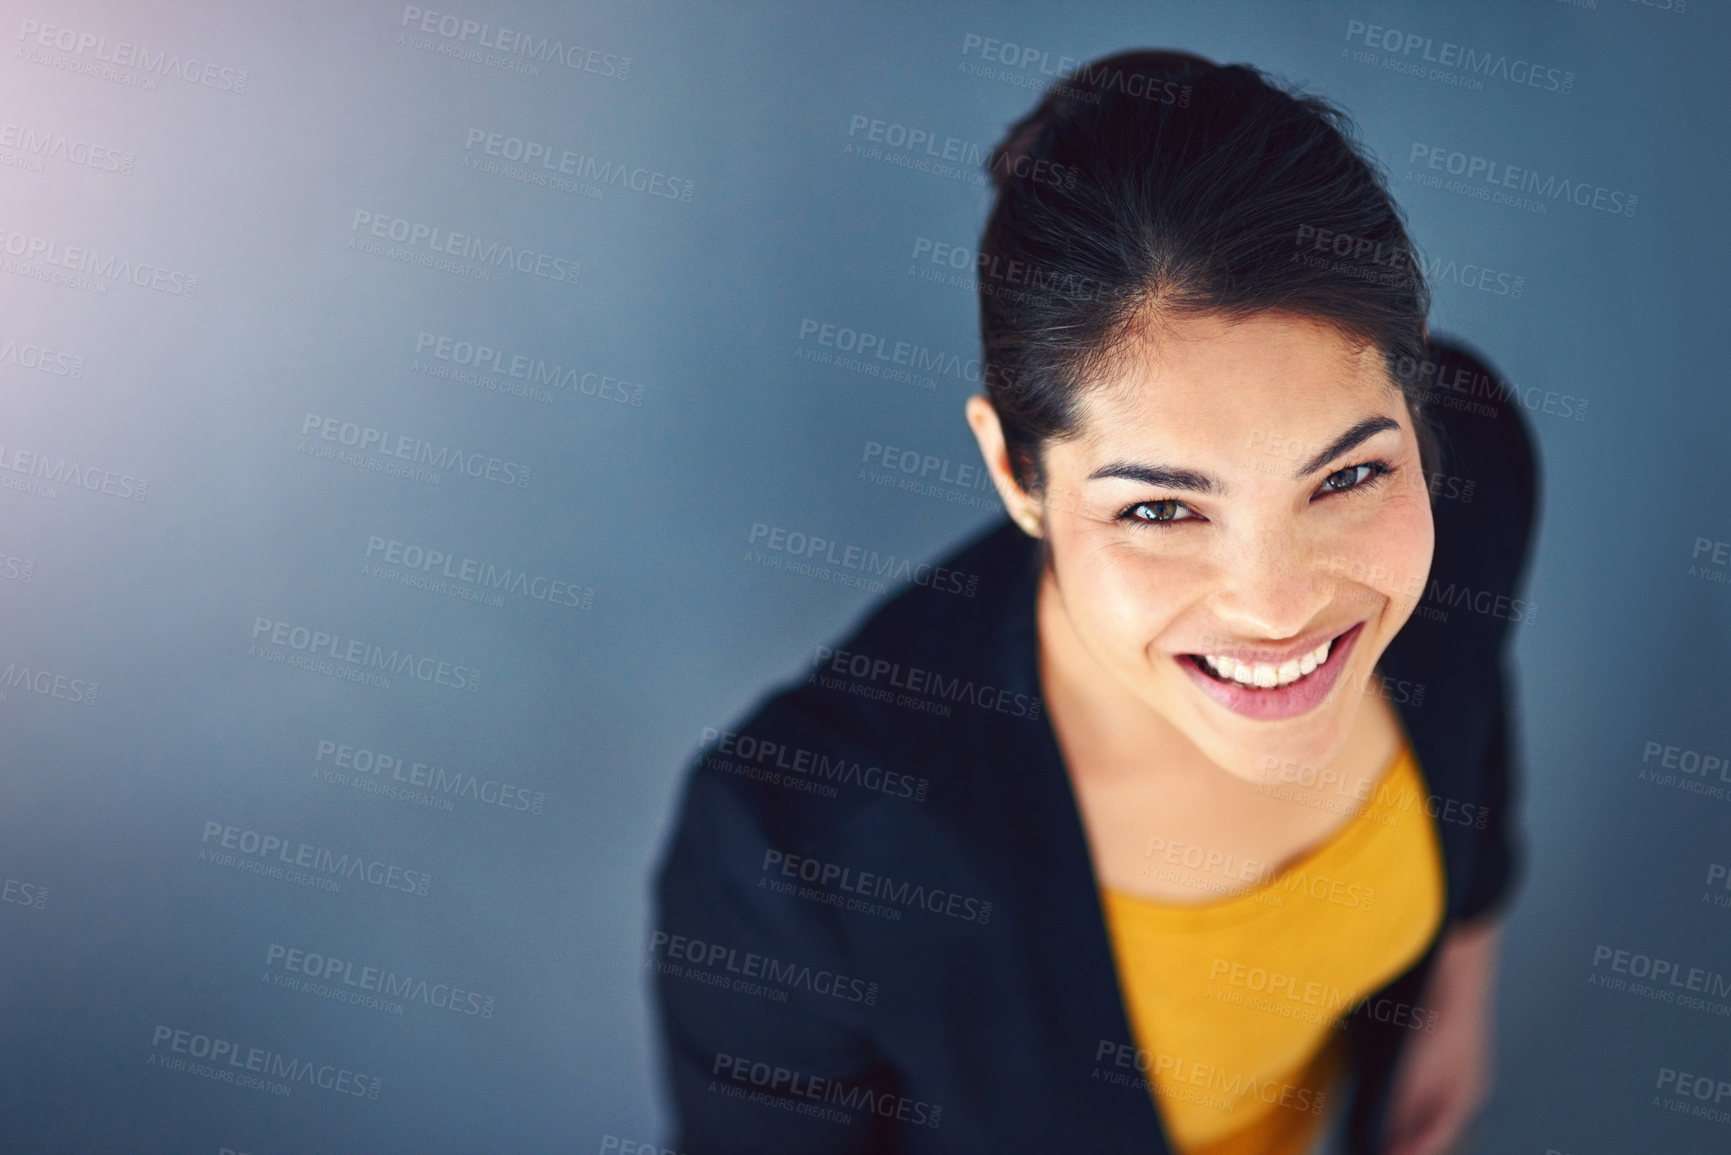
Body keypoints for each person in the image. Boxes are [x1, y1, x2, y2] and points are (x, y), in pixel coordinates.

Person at [653, 50, 1538, 1155]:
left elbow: (1475, 742)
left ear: (1416, 416)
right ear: (1016, 473)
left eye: (1349, 476)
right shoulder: (796, 859)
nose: (1278, 609)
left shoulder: (1477, 476)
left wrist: (1458, 977)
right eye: (1162, 511)